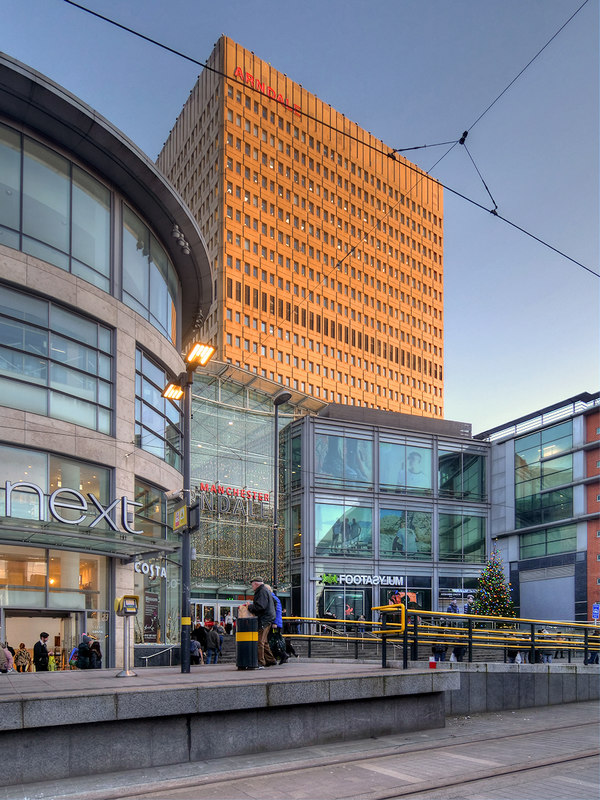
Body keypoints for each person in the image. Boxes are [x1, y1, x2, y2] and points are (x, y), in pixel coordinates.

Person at [246, 576, 276, 668]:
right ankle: (271, 660)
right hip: (268, 618)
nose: (252, 587)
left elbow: (260, 606)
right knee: (264, 641)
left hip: (264, 619)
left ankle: (260, 662)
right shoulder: (265, 590)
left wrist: (250, 607)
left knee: (260, 641)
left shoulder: (261, 591)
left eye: (252, 585)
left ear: (255, 584)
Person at [265, 585, 288, 664]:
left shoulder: (272, 598)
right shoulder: (274, 598)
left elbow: (276, 611)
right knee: (273, 640)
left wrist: (275, 622)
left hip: (275, 624)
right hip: (277, 623)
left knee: (271, 641)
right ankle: (281, 655)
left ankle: (282, 655)